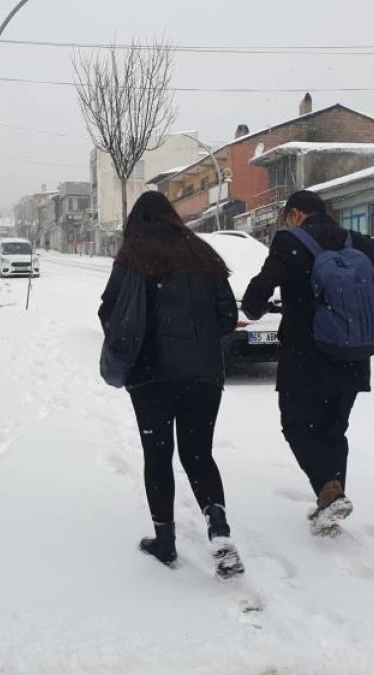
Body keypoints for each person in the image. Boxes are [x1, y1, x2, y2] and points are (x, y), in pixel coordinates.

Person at [241, 190, 374, 536]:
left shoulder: (289, 242)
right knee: (334, 430)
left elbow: (256, 297)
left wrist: (264, 309)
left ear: (295, 215)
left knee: (296, 425)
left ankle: (329, 493)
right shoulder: (359, 242)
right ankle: (331, 502)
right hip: (352, 354)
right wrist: (350, 316)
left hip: (305, 356)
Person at [98, 191, 245, 579]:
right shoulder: (203, 254)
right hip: (205, 376)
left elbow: (110, 311)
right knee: (199, 454)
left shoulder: (134, 256)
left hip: (152, 375)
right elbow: (227, 319)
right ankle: (219, 529)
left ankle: (165, 542)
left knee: (158, 455)